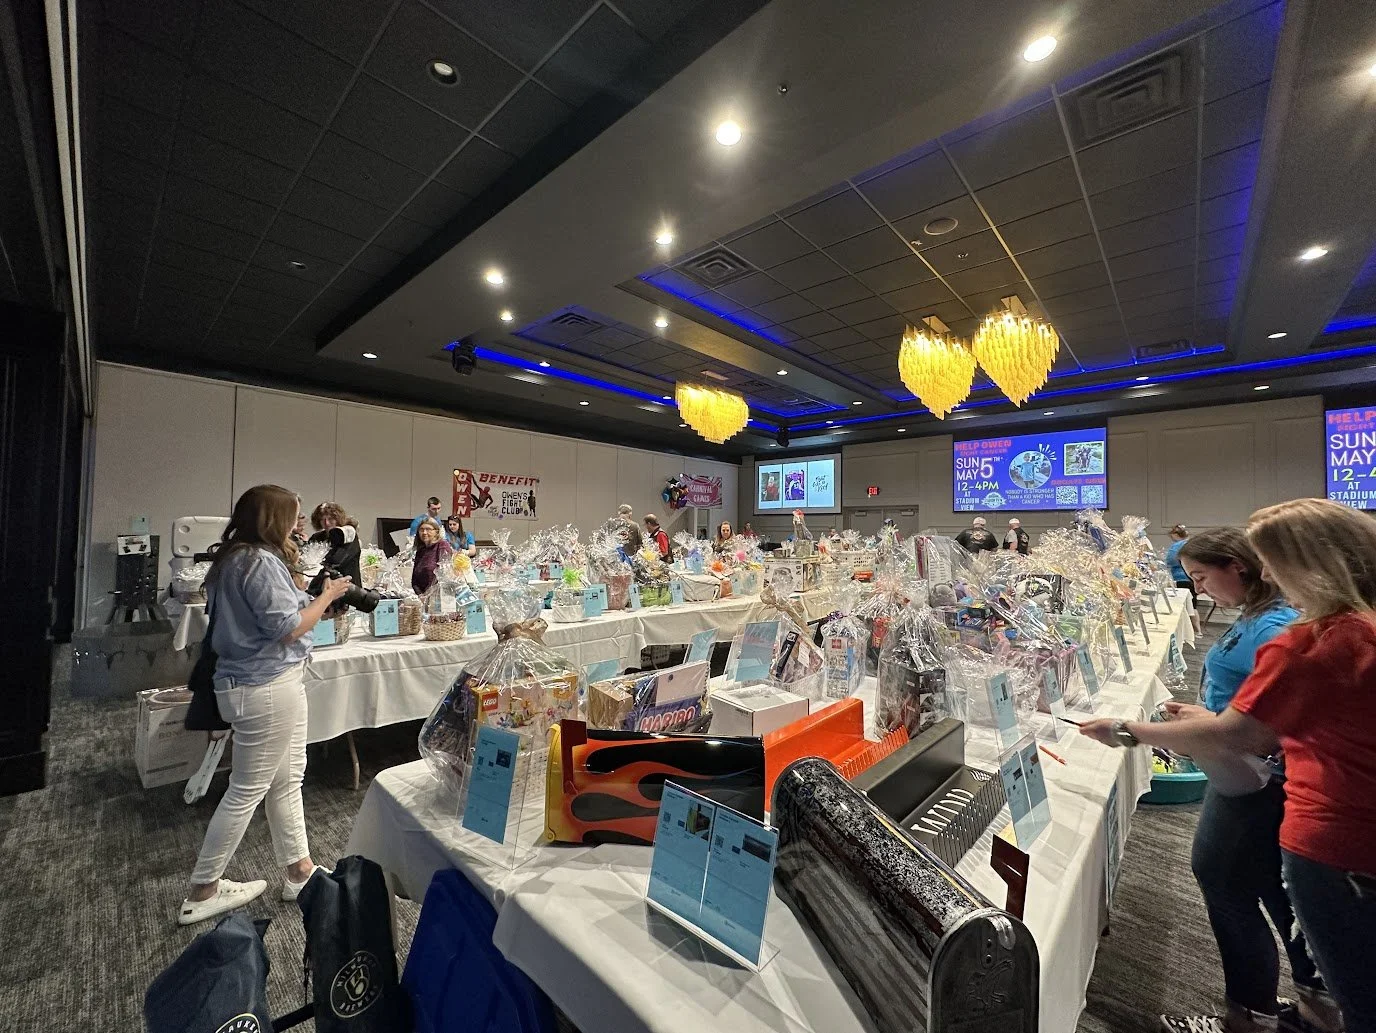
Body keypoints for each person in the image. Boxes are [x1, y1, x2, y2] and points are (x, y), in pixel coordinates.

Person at [1081, 500, 1376, 1033]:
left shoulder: (1310, 639)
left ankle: (1259, 1013)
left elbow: (1240, 733)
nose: (1265, 573)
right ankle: (1298, 1009)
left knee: (1238, 886)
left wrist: (1129, 732)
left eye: (1270, 561)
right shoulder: (1351, 627)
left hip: (1325, 825)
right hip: (1328, 814)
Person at [180, 485, 349, 926]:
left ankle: (299, 871)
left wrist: (314, 604)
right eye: (292, 517)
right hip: (265, 686)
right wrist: (327, 598)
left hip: (259, 683)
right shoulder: (256, 562)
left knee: (287, 779)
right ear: (272, 519)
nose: (298, 526)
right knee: (247, 789)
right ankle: (203, 888)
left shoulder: (235, 559)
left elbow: (276, 619)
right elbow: (288, 629)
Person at [411, 518, 453, 596]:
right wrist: (421, 595)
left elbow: (445, 576)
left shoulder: (442, 546)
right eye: (421, 530)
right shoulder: (420, 551)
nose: (424, 532)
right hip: (423, 598)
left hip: (438, 597)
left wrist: (430, 596)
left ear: (436, 532)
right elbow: (414, 581)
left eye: (428, 529)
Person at [1167, 525, 1195, 599]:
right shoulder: (1191, 544)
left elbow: (1170, 560)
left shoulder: (1177, 546)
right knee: (1192, 599)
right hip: (1192, 577)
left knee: (1183, 599)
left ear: (1175, 534)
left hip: (1180, 578)